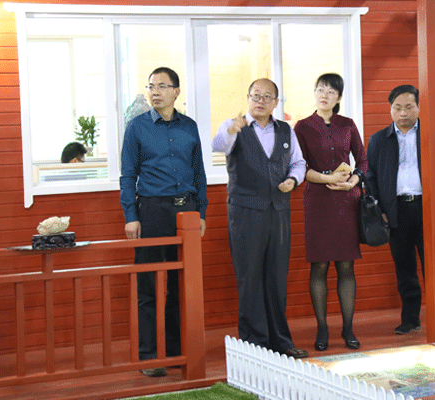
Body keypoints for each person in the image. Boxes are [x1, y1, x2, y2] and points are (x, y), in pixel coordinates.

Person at [120, 66, 208, 377]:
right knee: (148, 286)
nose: (155, 92)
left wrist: (202, 212)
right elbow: (128, 175)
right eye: (151, 86)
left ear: (176, 91)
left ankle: (175, 352)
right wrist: (131, 216)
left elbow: (199, 173)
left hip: (186, 212)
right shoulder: (136, 128)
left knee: (179, 285)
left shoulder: (190, 127)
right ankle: (148, 357)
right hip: (152, 211)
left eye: (161, 86)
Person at [212, 78, 308, 359]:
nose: (260, 101)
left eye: (267, 97)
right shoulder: (234, 125)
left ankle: (281, 341)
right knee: (250, 277)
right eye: (256, 95)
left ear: (276, 103)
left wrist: (293, 179)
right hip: (245, 213)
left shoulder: (286, 130)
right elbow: (218, 145)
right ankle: (255, 343)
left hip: (278, 211)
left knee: (276, 277)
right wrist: (232, 129)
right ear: (248, 98)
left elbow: (299, 162)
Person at [365, 85, 435, 335]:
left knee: (434, 266)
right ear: (390, 110)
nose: (403, 113)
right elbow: (370, 177)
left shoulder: (433, 134)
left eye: (409, 107)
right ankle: (410, 319)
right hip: (395, 211)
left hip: (427, 208)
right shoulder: (378, 140)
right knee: (404, 268)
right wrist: (379, 208)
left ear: (418, 107)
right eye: (397, 108)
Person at [293, 73, 367, 351]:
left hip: (346, 201)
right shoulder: (302, 127)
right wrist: (328, 179)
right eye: (320, 89)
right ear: (314, 93)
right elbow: (299, 167)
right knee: (320, 265)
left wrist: (353, 181)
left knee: (346, 265)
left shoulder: (347, 125)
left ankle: (348, 328)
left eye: (331, 91)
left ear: (339, 98)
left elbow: (363, 160)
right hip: (318, 201)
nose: (324, 95)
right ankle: (322, 328)